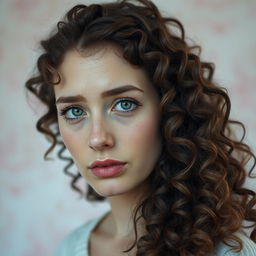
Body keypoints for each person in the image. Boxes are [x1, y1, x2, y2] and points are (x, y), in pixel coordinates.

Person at [24, 0, 256, 255]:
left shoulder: (229, 252)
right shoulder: (68, 249)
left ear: (170, 111)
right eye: (75, 111)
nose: (98, 138)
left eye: (124, 104)